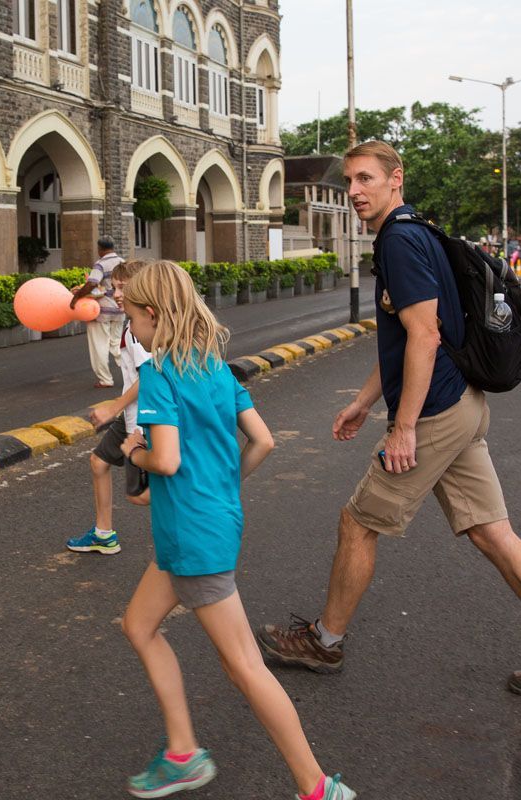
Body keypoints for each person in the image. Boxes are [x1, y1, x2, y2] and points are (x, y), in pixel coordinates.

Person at [255, 141, 521, 699]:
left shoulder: (399, 240)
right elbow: (403, 338)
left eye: (366, 179)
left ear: (396, 179)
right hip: (461, 403)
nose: (354, 192)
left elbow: (425, 334)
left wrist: (404, 427)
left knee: (359, 523)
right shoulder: (420, 231)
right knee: (493, 532)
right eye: (349, 182)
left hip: (437, 414)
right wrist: (366, 400)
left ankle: (325, 640)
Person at [117, 261, 355, 800]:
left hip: (192, 537)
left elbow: (168, 459)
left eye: (131, 318)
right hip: (207, 524)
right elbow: (264, 441)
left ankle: (317, 787)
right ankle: (182, 752)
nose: (131, 330)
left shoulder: (158, 373)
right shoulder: (214, 369)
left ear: (152, 314)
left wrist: (135, 449)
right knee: (138, 624)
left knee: (245, 666)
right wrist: (221, 486)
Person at [66, 260, 152, 556]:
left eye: (123, 288)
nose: (116, 294)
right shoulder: (131, 325)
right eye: (115, 287)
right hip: (130, 417)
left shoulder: (141, 330)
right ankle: (103, 534)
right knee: (99, 462)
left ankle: (198, 503)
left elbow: (150, 376)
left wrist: (113, 407)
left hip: (146, 420)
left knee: (140, 496)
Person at [72, 236, 125, 388]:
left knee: (99, 345)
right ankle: (136, 371)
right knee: (117, 343)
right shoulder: (122, 262)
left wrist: (77, 296)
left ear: (100, 249)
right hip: (120, 309)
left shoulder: (100, 264)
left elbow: (92, 283)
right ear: (113, 247)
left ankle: (105, 380)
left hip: (102, 310)